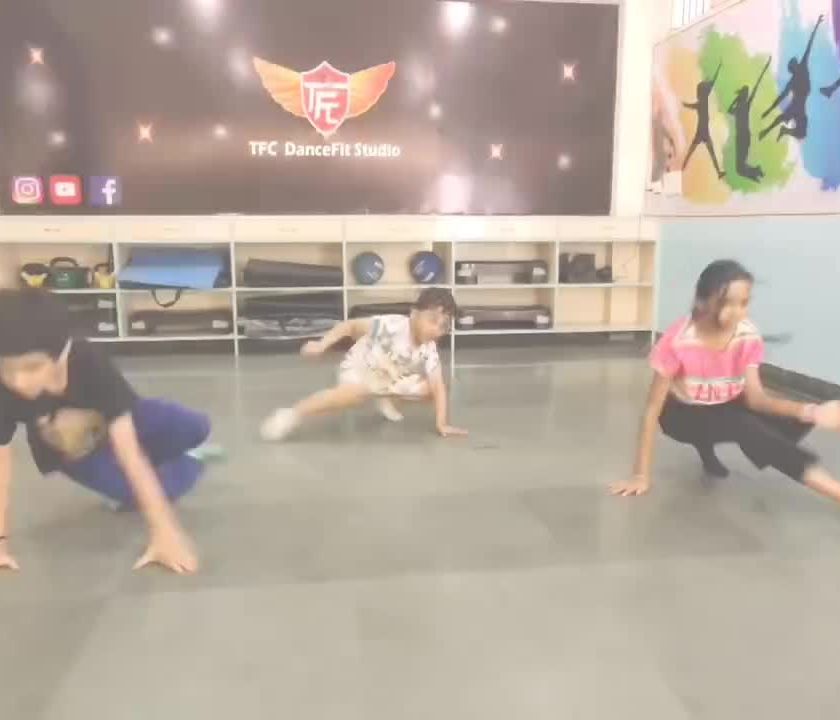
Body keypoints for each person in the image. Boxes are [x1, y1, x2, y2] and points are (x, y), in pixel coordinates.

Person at [0, 289, 212, 574]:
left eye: (32, 367)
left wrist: (165, 534)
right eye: (7, 369)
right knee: (170, 487)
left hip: (122, 419)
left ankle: (172, 452)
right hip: (77, 452)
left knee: (197, 426)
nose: (18, 382)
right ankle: (189, 460)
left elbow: (129, 451)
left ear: (60, 354)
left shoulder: (89, 361)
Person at [610, 260, 840, 501]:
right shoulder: (677, 341)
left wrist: (813, 412)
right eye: (725, 303)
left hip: (725, 404)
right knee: (743, 425)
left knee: (794, 418)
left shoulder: (747, 334)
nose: (737, 312)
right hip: (681, 415)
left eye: (744, 303)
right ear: (701, 301)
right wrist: (640, 475)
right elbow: (652, 410)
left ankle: (743, 443)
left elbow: (756, 399)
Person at [260, 287, 468, 441]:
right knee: (355, 395)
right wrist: (322, 344)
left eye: (443, 326)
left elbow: (438, 386)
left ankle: (386, 399)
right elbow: (350, 326)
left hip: (388, 378)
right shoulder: (391, 326)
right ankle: (291, 414)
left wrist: (442, 423)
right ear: (414, 314)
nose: (436, 329)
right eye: (432, 320)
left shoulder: (429, 348)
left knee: (430, 389)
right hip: (359, 371)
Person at [761, 15, 824, 141]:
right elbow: (782, 96)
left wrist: (817, 25)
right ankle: (769, 130)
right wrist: (769, 110)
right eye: (794, 62)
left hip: (800, 107)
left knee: (801, 132)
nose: (796, 61)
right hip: (797, 106)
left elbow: (809, 46)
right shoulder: (794, 79)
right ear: (793, 67)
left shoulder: (802, 66)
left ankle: (783, 130)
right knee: (783, 118)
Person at [682, 62, 726, 180]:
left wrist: (718, 68)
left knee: (694, 151)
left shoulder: (701, 101)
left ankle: (683, 167)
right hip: (703, 131)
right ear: (704, 92)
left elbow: (711, 83)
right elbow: (712, 82)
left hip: (702, 131)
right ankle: (718, 172)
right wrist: (718, 68)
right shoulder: (703, 102)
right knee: (708, 153)